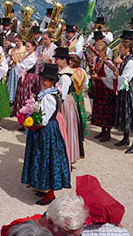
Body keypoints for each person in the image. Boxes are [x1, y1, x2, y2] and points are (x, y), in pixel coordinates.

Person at [21, 64, 71, 205]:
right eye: (43, 79)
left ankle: (50, 193)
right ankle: (42, 187)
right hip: (44, 131)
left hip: (46, 131)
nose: (43, 82)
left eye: (47, 80)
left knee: (47, 161)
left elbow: (43, 119)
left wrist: (30, 124)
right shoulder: (45, 94)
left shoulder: (49, 97)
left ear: (53, 82)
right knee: (41, 159)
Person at [55, 47, 84, 164]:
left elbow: (63, 94)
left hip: (65, 103)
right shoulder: (64, 72)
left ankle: (68, 155)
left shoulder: (65, 76)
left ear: (64, 60)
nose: (56, 61)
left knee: (66, 127)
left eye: (58, 59)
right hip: (68, 101)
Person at [90, 41, 116, 142]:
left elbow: (110, 77)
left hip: (106, 88)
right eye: (96, 50)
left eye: (99, 51)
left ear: (104, 51)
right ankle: (102, 130)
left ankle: (108, 133)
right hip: (99, 88)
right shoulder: (97, 60)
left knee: (106, 111)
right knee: (100, 110)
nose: (97, 52)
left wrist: (98, 78)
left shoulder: (107, 62)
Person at [13, 40, 40, 119]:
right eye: (26, 46)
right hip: (25, 78)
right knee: (22, 97)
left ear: (34, 47)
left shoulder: (33, 58)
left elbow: (23, 67)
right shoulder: (28, 55)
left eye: (28, 46)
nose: (27, 48)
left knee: (27, 97)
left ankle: (28, 118)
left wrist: (17, 60)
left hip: (29, 79)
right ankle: (23, 119)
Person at [69, 55, 88, 140]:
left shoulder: (69, 72)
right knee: (80, 113)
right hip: (79, 95)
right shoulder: (82, 71)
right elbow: (85, 85)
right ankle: (81, 132)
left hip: (71, 95)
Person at [8, 35, 27, 104]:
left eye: (17, 41)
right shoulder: (12, 50)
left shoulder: (24, 49)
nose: (16, 43)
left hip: (20, 68)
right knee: (12, 83)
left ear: (21, 41)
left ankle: (17, 98)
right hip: (13, 67)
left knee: (18, 83)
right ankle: (11, 99)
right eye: (15, 41)